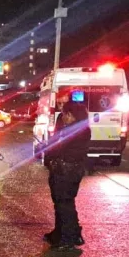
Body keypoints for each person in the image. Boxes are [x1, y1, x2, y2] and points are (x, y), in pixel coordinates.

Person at [43, 101, 90, 249]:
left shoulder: (72, 130)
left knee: (63, 204)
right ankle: (64, 233)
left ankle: (68, 238)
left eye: (64, 114)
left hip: (65, 171)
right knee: (65, 203)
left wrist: (47, 149)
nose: (63, 117)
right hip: (72, 170)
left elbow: (58, 148)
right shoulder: (83, 129)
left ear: (71, 115)